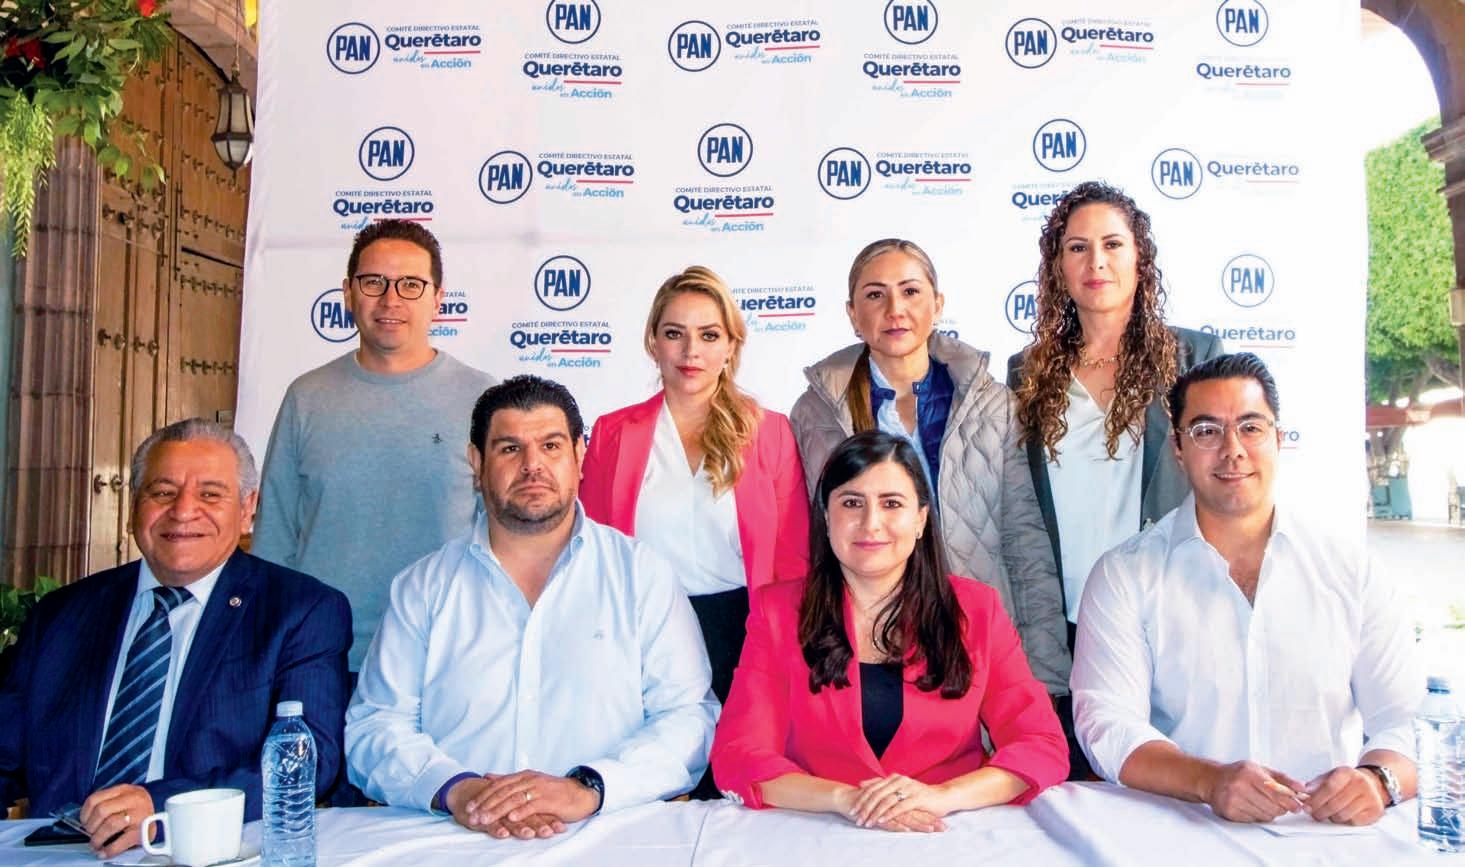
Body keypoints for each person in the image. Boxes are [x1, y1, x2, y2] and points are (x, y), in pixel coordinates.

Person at [345, 376, 718, 840]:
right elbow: (375, 726)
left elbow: (689, 719)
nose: (532, 465)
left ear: (580, 456)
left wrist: (588, 788)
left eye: (551, 446)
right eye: (509, 449)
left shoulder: (642, 576)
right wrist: (458, 790)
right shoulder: (422, 588)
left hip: (609, 838)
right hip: (454, 839)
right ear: (476, 463)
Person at [1072, 354, 1421, 826]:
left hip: (1325, 837)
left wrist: (1378, 781)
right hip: (1180, 835)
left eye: (1251, 428)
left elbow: (1406, 718)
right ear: (1178, 448)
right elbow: (1107, 725)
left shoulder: (1351, 572)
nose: (1232, 449)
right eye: (1207, 431)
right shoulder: (1124, 576)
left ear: (1279, 439)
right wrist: (1209, 781)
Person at [0, 419, 350, 858]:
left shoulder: (300, 611)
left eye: (210, 494)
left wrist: (161, 805)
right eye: (163, 492)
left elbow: (308, 764)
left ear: (247, 509)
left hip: (209, 852)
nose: (183, 511)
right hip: (61, 852)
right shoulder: (62, 614)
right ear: (134, 506)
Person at [711, 431, 1066, 829]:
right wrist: (847, 800)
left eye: (891, 503)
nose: (871, 523)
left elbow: (1041, 744)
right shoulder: (778, 612)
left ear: (921, 519)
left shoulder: (976, 610)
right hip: (821, 832)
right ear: (826, 518)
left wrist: (942, 797)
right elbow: (737, 755)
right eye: (851, 503)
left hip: (950, 833)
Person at [1006, 180, 1223, 777]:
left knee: (1179, 787)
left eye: (1112, 244)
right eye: (1076, 248)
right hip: (1065, 626)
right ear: (1057, 267)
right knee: (1077, 791)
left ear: (1139, 256)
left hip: (1171, 616)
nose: (1095, 262)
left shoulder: (1193, 357)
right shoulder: (1026, 373)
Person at [789, 239, 1069, 700]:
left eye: (910, 291)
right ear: (853, 314)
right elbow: (813, 545)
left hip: (978, 637)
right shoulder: (814, 413)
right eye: (875, 295)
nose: (895, 309)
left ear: (937, 305)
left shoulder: (994, 405)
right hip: (868, 647)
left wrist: (1046, 675)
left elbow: (1024, 540)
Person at [252, 219, 496, 668]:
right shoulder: (306, 397)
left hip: (444, 657)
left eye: (410, 285)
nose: (390, 300)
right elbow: (275, 535)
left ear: (438, 299)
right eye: (373, 282)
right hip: (321, 656)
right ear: (348, 293)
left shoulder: (482, 398)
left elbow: (501, 533)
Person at [580, 265, 810, 707]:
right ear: (653, 343)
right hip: (643, 639)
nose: (691, 351)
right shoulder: (612, 434)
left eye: (709, 335)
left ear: (731, 346)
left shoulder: (771, 433)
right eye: (674, 334)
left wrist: (785, 651)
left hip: (745, 638)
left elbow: (793, 560)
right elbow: (594, 555)